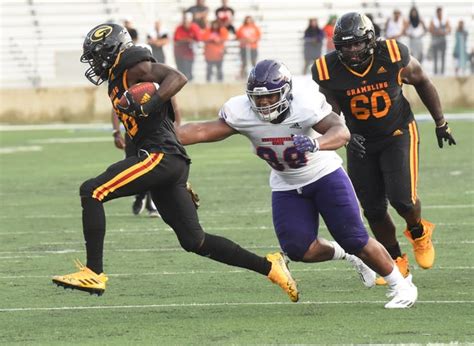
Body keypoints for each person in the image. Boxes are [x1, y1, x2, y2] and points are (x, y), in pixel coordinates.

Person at [52, 23, 299, 303]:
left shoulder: (132, 62)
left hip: (161, 156)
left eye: (97, 55)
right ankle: (271, 267)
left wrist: (152, 102)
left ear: (112, 50)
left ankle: (93, 272)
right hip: (166, 159)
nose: (95, 63)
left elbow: (177, 77)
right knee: (195, 241)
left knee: (92, 191)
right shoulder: (118, 77)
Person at [176, 59, 418, 309]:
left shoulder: (304, 105)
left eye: (270, 97)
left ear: (285, 92)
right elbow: (202, 131)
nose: (264, 103)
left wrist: (317, 143)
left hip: (324, 175)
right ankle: (347, 254)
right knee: (298, 249)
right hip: (286, 183)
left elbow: (341, 131)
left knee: (355, 238)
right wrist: (162, 140)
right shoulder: (241, 112)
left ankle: (402, 285)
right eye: (258, 99)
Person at [312, 12, 456, 285]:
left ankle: (418, 231)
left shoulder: (391, 53)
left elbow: (422, 80)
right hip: (360, 139)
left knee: (403, 199)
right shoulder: (326, 69)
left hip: (397, 132)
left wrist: (441, 122)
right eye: (346, 45)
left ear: (370, 40)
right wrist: (343, 134)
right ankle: (395, 260)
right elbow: (330, 111)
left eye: (357, 44)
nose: (352, 51)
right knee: (374, 209)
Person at [173, 12, 201, 81]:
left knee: (188, 70)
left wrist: (187, 40)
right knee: (181, 71)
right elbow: (176, 40)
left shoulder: (194, 27)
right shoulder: (179, 28)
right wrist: (187, 40)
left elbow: (198, 39)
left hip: (189, 53)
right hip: (180, 54)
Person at [429, 7, 451, 75]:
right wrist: (438, 32)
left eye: (440, 12)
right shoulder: (433, 20)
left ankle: (442, 72)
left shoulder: (445, 20)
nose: (439, 13)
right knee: (435, 57)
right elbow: (431, 29)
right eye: (438, 12)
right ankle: (435, 72)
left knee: (443, 57)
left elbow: (449, 29)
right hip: (435, 41)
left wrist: (442, 32)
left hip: (442, 41)